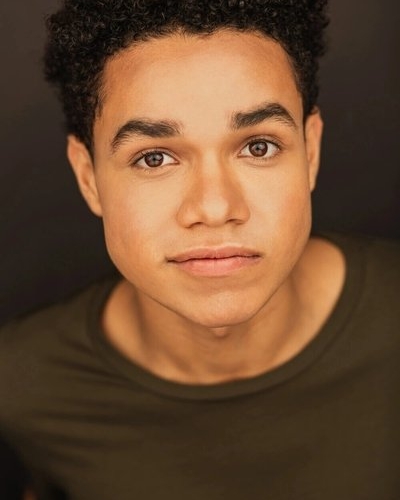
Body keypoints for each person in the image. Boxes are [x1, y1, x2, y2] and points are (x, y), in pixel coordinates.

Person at [0, 0, 399, 498]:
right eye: (154, 158)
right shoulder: (21, 388)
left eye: (258, 147)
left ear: (311, 152)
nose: (214, 207)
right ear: (89, 178)